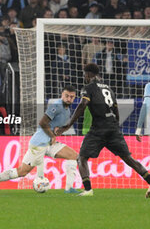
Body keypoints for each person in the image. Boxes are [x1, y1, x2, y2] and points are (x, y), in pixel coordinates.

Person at [56, 63, 150, 197]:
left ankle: (88, 190)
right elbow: (116, 110)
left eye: (84, 74)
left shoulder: (88, 88)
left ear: (88, 74)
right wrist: (115, 126)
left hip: (98, 129)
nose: (84, 77)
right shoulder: (109, 88)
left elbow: (82, 105)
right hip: (112, 128)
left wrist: (68, 124)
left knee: (82, 157)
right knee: (129, 159)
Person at [0, 86, 79, 193]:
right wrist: (52, 135)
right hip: (39, 143)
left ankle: (69, 188)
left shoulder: (67, 110)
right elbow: (42, 123)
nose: (69, 99)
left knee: (73, 156)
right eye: (66, 96)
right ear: (62, 95)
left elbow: (55, 125)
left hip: (49, 143)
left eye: (71, 97)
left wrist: (58, 130)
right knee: (22, 172)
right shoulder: (56, 106)